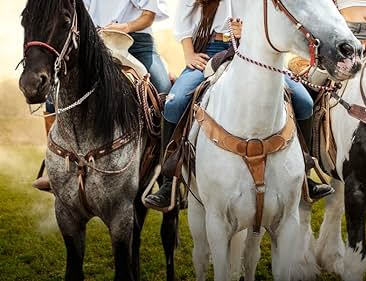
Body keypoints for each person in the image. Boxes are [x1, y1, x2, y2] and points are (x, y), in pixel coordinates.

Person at [144, 0, 333, 210]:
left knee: (303, 101)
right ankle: (170, 181)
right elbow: (183, 20)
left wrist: (249, 31)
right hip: (209, 49)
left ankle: (305, 175)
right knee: (174, 103)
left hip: (254, 49)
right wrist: (189, 54)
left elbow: (275, 20)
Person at [33, 0, 172, 191]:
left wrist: (126, 26)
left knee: (163, 93)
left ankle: (167, 174)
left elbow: (149, 15)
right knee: (53, 97)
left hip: (137, 43)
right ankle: (54, 166)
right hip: (94, 43)